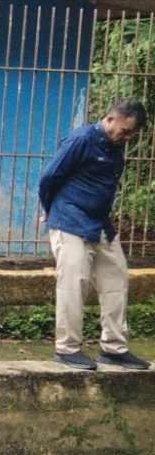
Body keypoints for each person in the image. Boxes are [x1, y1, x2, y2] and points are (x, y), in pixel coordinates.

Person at [39, 97, 150, 371]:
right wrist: (50, 210)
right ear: (110, 119)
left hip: (99, 223)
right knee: (74, 282)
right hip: (70, 219)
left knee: (116, 277)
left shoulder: (115, 146)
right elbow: (49, 177)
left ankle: (113, 348)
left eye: (132, 134)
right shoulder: (82, 138)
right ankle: (66, 349)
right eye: (125, 131)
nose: (127, 138)